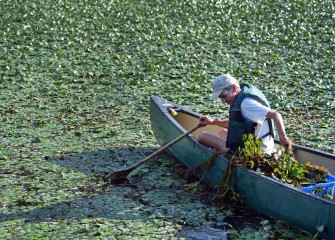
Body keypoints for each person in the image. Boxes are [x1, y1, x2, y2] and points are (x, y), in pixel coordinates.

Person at [198, 74, 290, 154]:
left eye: (224, 96)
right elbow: (236, 124)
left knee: (203, 135)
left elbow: (275, 114)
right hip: (262, 145)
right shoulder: (242, 95)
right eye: (220, 98)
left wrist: (283, 137)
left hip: (256, 151)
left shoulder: (246, 104)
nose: (223, 101)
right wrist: (213, 122)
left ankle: (222, 155)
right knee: (222, 133)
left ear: (234, 88)